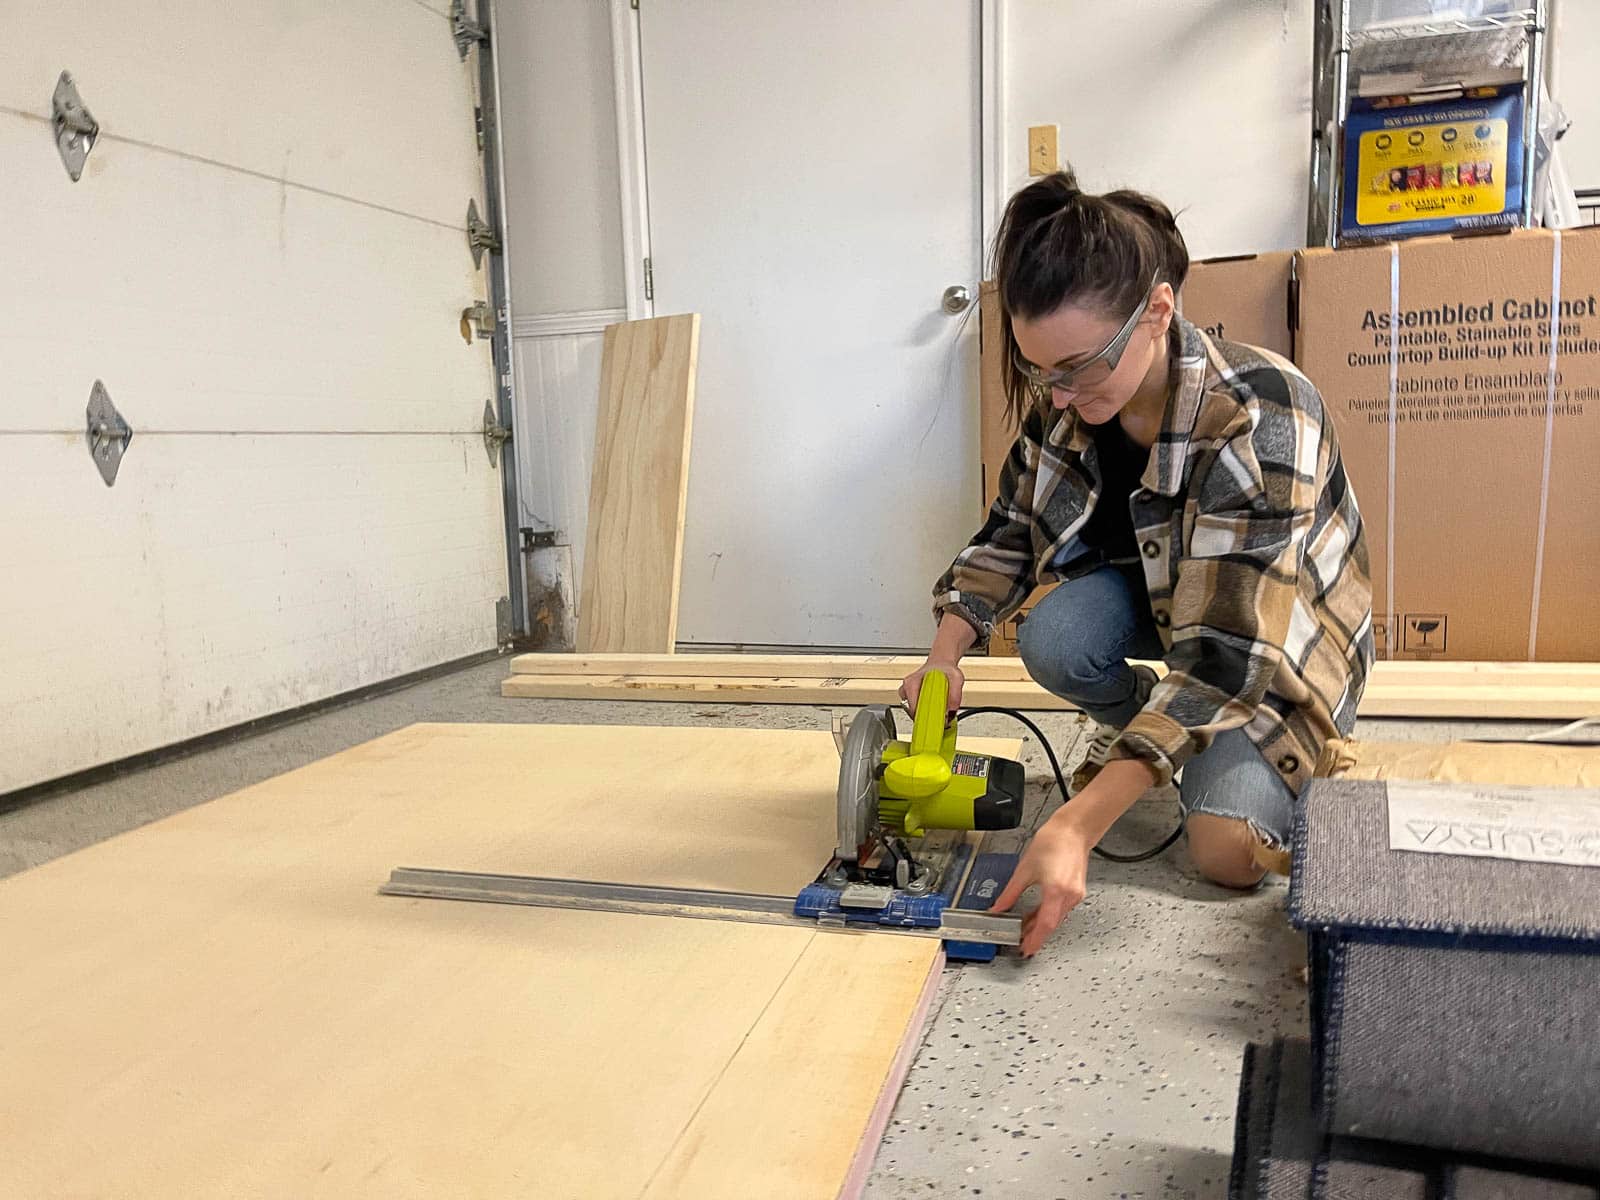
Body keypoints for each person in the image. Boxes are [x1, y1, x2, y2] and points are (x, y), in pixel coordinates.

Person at [902, 171, 1373, 957]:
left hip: (1279, 638)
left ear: (1159, 311)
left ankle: (1197, 756)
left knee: (1225, 855)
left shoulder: (1261, 415)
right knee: (1052, 638)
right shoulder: (1070, 406)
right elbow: (1010, 533)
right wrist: (944, 658)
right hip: (1165, 601)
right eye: (1039, 371)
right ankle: (1160, 743)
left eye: (1079, 367)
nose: (1056, 397)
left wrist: (1076, 824)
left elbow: (1225, 657)